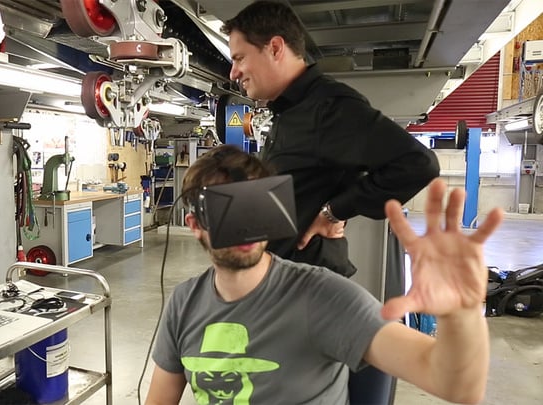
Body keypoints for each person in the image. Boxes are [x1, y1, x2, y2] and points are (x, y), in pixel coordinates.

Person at [145, 145, 503, 404]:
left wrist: (461, 314)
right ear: (195, 225)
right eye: (226, 213)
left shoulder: (323, 296)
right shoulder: (184, 302)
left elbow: (457, 385)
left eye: (253, 208)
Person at [221, 1, 440, 277]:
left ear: (275, 48)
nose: (233, 72)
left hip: (307, 284)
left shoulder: (330, 107)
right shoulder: (287, 110)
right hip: (277, 275)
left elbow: (418, 163)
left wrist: (334, 211)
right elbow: (300, 186)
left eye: (239, 58)